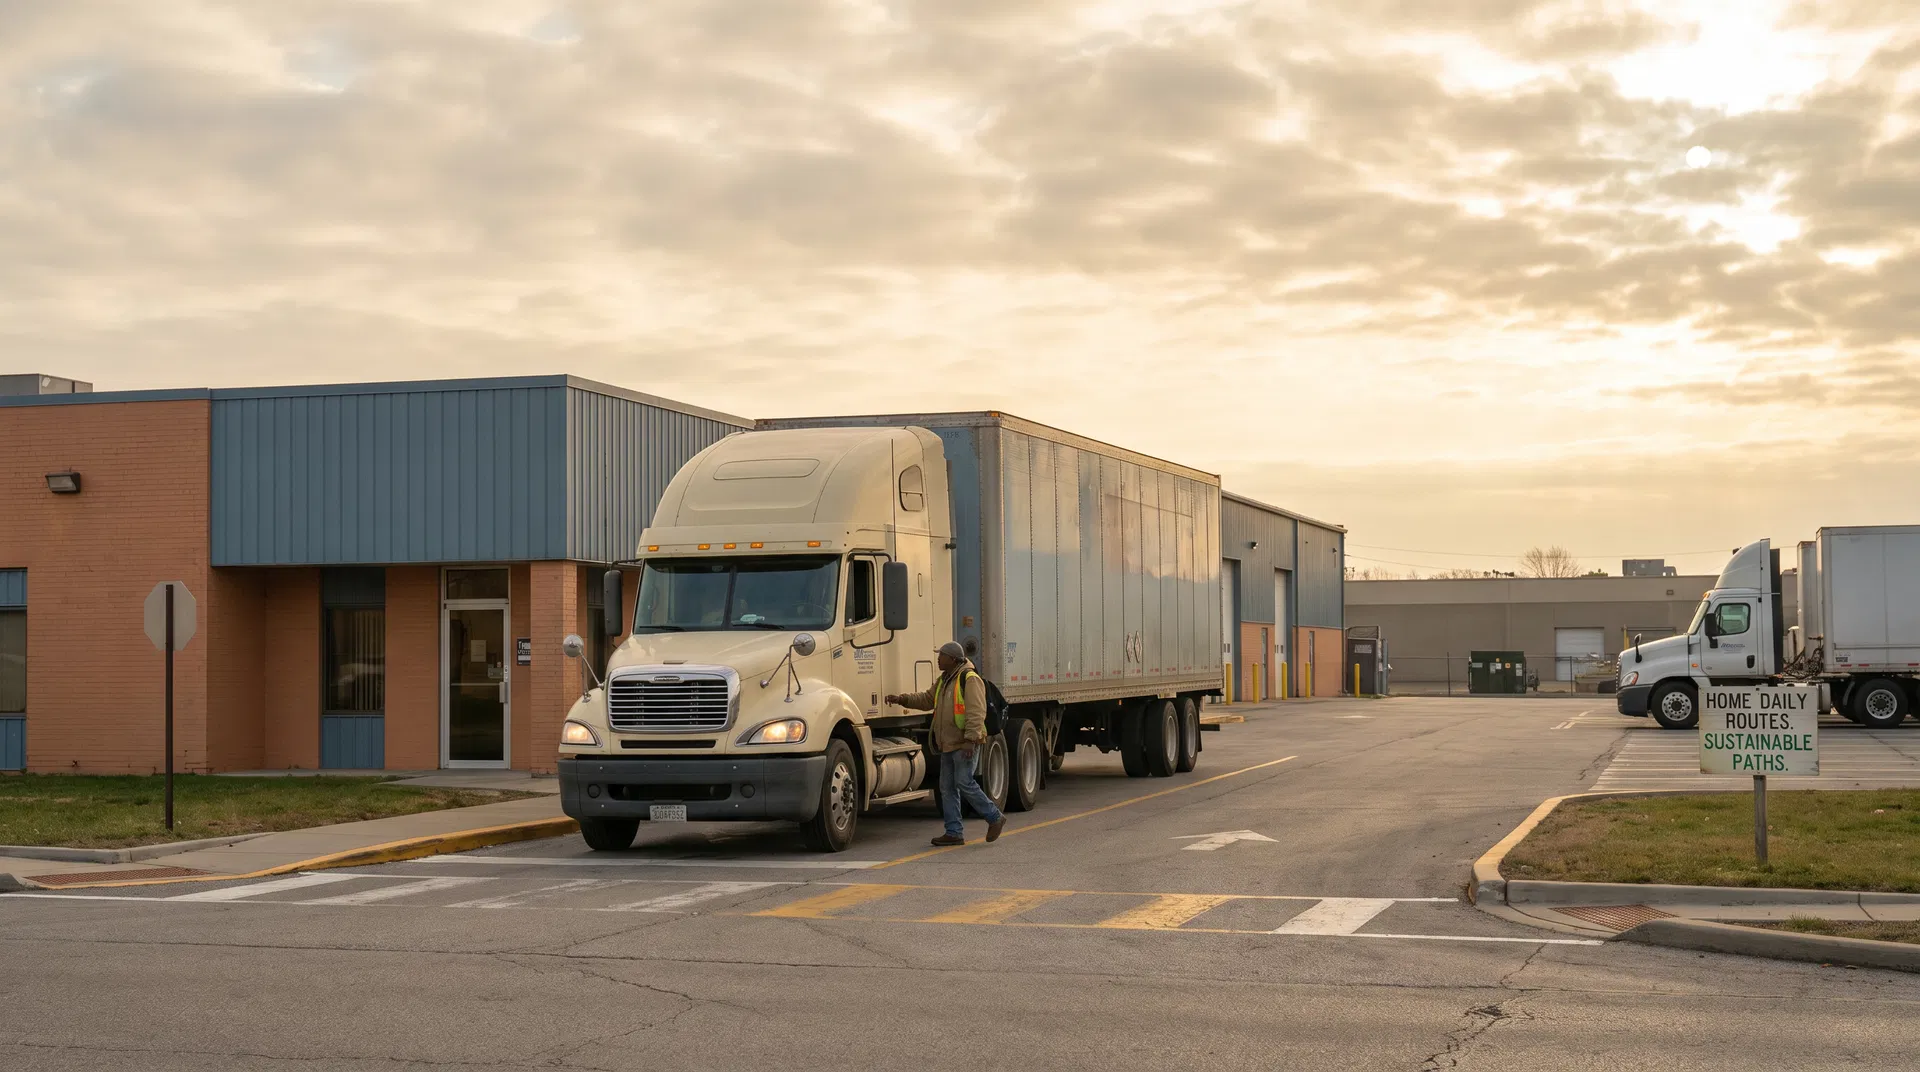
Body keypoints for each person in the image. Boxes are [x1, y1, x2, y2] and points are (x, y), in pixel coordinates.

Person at [886, 642, 1005, 846]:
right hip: (948, 744)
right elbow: (926, 699)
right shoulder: (945, 680)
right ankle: (954, 832)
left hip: (964, 743)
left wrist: (970, 740)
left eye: (941, 656)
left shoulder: (970, 679)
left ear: (952, 659)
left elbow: (976, 712)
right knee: (947, 788)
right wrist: (902, 699)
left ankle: (994, 817)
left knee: (964, 782)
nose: (938, 659)